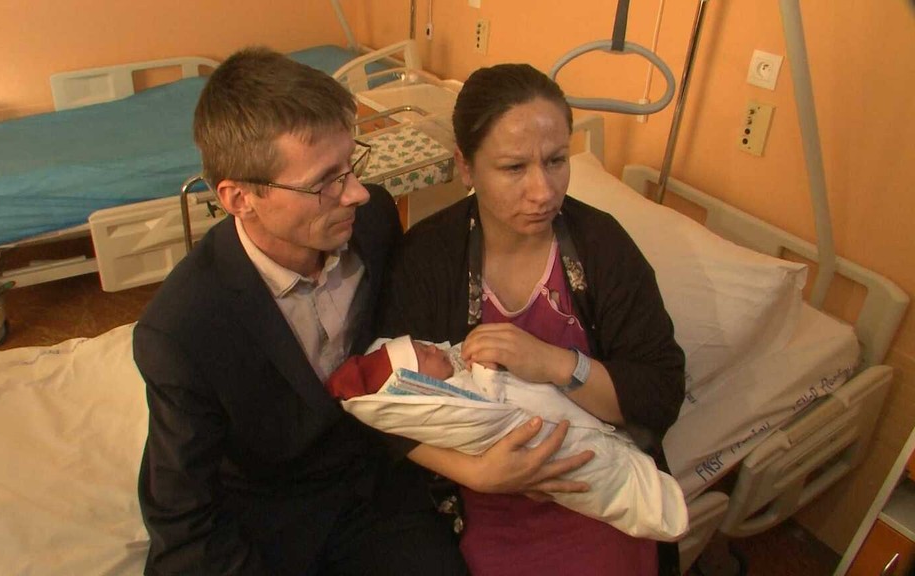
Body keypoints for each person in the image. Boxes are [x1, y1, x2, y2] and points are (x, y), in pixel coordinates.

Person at [134, 48, 587, 576]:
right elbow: (184, 522)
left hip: (378, 488)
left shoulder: (371, 226)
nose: (356, 193)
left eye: (352, 165)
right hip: (270, 514)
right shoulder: (183, 329)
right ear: (239, 198)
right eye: (324, 182)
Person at [378, 63, 687, 575]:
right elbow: (385, 404)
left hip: (594, 488)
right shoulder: (428, 258)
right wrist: (481, 474)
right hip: (476, 493)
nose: (543, 191)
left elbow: (659, 395)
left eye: (556, 160)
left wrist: (558, 364)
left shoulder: (601, 247)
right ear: (465, 167)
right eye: (514, 168)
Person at [325, 335, 689, 542]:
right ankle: (655, 505)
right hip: (527, 461)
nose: (435, 348)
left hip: (585, 423)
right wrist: (488, 373)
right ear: (417, 385)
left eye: (426, 345)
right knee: (602, 475)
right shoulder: (444, 406)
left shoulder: (453, 374)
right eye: (424, 354)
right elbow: (483, 414)